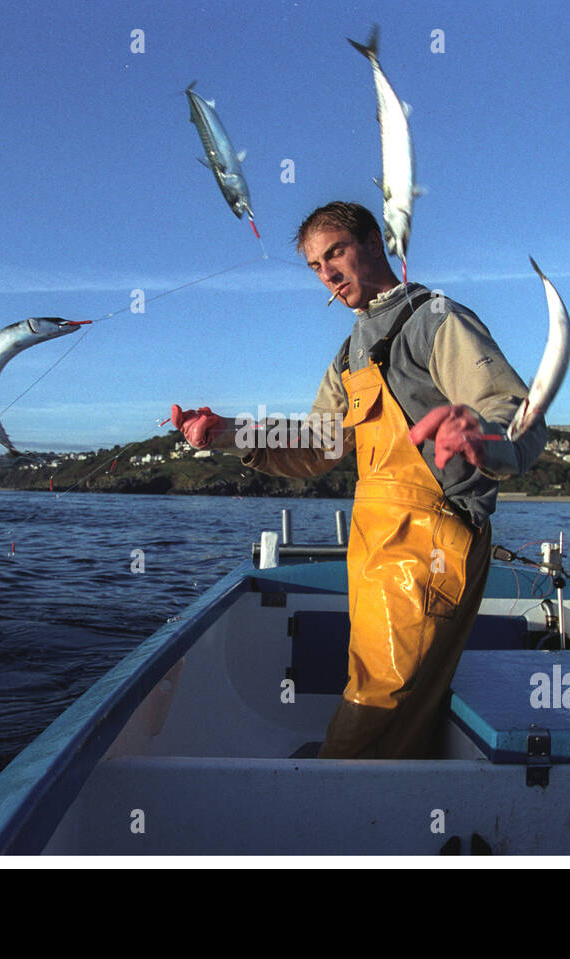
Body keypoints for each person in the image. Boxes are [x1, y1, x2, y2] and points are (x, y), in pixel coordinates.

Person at [172, 201, 547, 759]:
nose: (327, 274)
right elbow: (320, 444)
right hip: (373, 543)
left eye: (336, 254)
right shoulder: (349, 353)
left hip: (431, 542)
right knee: (377, 690)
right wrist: (229, 433)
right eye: (315, 266)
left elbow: (519, 414)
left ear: (375, 242)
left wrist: (483, 437)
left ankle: (330, 816)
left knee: (379, 699)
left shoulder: (436, 318)